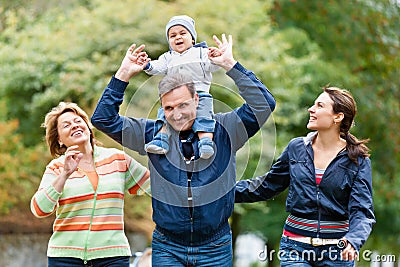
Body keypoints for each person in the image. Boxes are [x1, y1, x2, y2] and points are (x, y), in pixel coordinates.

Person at [91, 34, 276, 266]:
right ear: (161, 108)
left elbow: (264, 104)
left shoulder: (225, 129)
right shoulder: (152, 135)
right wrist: (123, 75)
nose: (176, 114)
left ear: (197, 100)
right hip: (168, 246)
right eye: (168, 108)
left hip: (215, 246)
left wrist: (230, 65)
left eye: (183, 105)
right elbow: (103, 119)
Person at [235, 87, 375, 266]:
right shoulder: (296, 148)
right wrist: (222, 193)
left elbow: (362, 210)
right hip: (294, 247)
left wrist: (353, 240)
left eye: (320, 106)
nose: (311, 109)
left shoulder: (357, 160)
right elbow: (266, 186)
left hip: (337, 251)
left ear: (337, 117)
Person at [30, 102, 150, 267]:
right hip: (65, 258)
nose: (74, 126)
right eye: (66, 125)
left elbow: (156, 186)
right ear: (59, 139)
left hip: (113, 256)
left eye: (78, 121)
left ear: (87, 127)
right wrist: (65, 174)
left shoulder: (117, 159)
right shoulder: (56, 168)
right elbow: (39, 209)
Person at [143, 15, 220, 159]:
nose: (178, 37)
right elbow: (157, 68)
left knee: (204, 116)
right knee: (164, 114)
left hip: (200, 94)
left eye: (182, 33)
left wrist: (215, 58)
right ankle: (161, 139)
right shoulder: (168, 57)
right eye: (173, 35)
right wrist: (147, 65)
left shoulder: (201, 52)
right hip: (176, 97)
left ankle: (205, 142)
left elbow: (213, 66)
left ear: (192, 38)